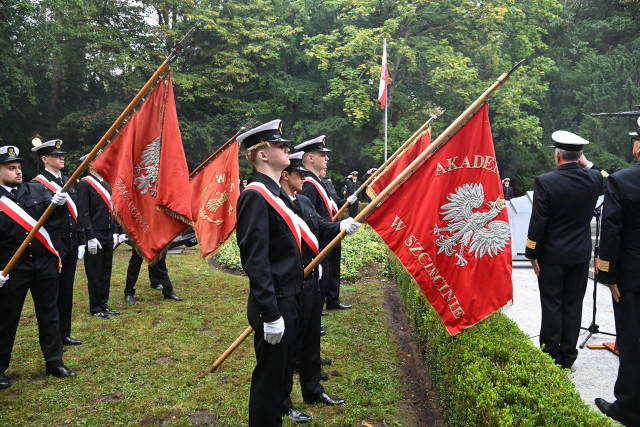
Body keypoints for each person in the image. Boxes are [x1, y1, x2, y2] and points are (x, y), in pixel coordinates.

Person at [280, 152, 359, 422]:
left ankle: (313, 390)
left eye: (305, 173)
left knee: (312, 338)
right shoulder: (276, 204)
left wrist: (342, 225)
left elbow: (322, 227)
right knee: (289, 345)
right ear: (285, 175)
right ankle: (283, 401)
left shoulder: (302, 200)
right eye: (299, 174)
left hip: (311, 278)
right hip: (291, 281)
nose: (305, 177)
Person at [235, 119, 302, 427]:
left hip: (290, 297)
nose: (287, 148)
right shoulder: (254, 195)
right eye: (279, 145)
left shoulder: (277, 194)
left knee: (281, 376)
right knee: (269, 379)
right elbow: (255, 261)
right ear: (262, 154)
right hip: (274, 302)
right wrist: (271, 313)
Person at [525, 130, 606, 369]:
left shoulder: (546, 181)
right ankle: (568, 355)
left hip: (552, 255)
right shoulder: (593, 180)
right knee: (573, 304)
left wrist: (532, 252)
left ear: (557, 156)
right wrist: (588, 163)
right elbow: (610, 180)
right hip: (580, 255)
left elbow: (538, 221)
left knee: (552, 304)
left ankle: (550, 354)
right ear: (579, 155)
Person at [0, 145, 75, 389]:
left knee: (49, 313)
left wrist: (59, 205)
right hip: (13, 266)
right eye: (11, 168)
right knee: (7, 317)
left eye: (19, 167)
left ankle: (55, 362)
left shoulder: (34, 189)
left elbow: (53, 220)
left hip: (43, 262)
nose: (18, 172)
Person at [594, 125, 640, 426]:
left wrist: (607, 275)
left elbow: (611, 232)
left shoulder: (622, 181)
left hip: (632, 277)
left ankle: (629, 408)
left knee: (632, 341)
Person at [31, 139, 84, 347]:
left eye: (61, 155)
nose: (61, 158)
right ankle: (54, 337)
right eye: (56, 156)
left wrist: (80, 240)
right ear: (44, 159)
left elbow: (76, 211)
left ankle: (64, 333)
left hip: (70, 243)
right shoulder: (36, 185)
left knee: (66, 290)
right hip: (52, 244)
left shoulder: (67, 181)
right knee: (52, 293)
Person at [297, 135, 357, 311]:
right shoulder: (308, 184)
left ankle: (330, 300)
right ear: (310, 158)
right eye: (322, 154)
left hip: (329, 233)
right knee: (322, 274)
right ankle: (318, 306)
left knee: (331, 270)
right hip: (320, 238)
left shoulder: (319, 182)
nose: (327, 158)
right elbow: (309, 217)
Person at [77, 169, 120, 319]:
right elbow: (83, 212)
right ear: (91, 165)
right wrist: (89, 236)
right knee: (94, 271)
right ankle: (95, 307)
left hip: (108, 232)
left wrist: (115, 230)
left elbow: (111, 209)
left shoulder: (105, 184)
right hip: (95, 233)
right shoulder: (85, 183)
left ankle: (104, 303)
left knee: (106, 270)